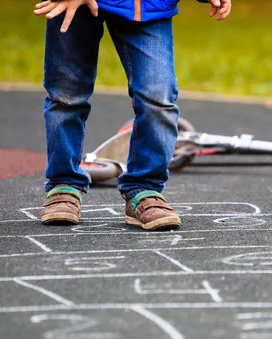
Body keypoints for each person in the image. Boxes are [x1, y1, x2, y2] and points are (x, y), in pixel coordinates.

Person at [34, 0, 231, 230]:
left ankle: (144, 188)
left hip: (146, 6)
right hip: (73, 6)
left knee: (157, 96)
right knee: (66, 96)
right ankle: (64, 183)